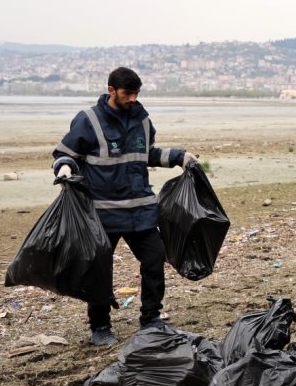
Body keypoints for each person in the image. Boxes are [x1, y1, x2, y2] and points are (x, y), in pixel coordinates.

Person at [52, 67, 197, 346]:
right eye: (127, 93)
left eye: (136, 93)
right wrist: (65, 168)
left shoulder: (142, 119)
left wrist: (180, 157)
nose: (133, 99)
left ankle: (151, 319)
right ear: (111, 91)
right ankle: (100, 326)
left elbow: (147, 154)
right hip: (102, 214)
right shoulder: (89, 120)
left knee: (154, 260)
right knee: (99, 270)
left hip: (140, 212)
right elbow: (65, 154)